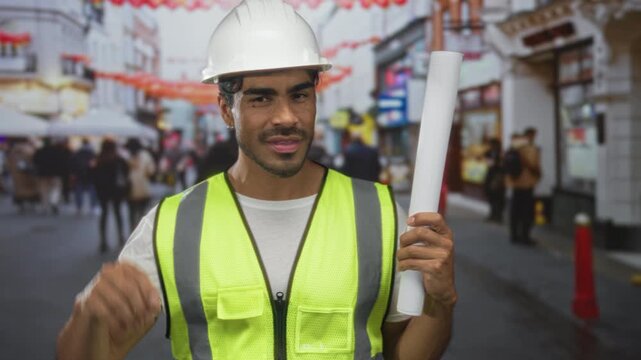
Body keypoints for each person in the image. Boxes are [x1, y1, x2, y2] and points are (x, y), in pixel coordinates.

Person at [56, 1, 456, 359]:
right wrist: (87, 319)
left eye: (299, 95)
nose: (286, 117)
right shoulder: (171, 226)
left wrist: (440, 301)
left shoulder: (380, 214)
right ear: (227, 109)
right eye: (261, 98)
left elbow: (406, 353)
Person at [91, 138, 129, 252]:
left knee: (104, 214)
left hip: (102, 191)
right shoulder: (118, 159)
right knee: (118, 213)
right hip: (116, 190)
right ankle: (121, 237)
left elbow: (93, 175)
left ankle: (103, 241)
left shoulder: (98, 159)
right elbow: (126, 172)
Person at [506, 128, 541, 245]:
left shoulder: (513, 148)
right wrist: (538, 173)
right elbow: (533, 166)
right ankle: (525, 237)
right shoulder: (531, 149)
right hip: (527, 184)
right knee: (526, 212)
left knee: (515, 211)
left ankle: (514, 235)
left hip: (515, 183)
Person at [125, 138, 156, 233]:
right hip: (143, 190)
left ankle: (132, 232)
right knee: (141, 214)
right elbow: (151, 171)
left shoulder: (126, 157)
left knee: (132, 214)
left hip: (130, 190)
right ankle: (140, 233)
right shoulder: (146, 156)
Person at [71, 138, 98, 215]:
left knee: (78, 191)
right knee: (92, 191)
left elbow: (72, 163)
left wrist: (73, 173)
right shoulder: (92, 153)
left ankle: (79, 207)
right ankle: (93, 206)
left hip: (79, 174)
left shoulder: (77, 153)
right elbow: (95, 164)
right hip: (90, 175)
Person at [483, 138, 505, 223]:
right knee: (491, 196)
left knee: (498, 198)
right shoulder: (489, 152)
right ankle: (492, 214)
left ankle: (498, 216)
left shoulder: (501, 154)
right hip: (490, 176)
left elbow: (501, 166)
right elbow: (485, 158)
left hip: (498, 177)